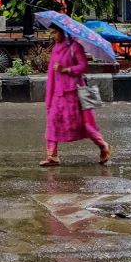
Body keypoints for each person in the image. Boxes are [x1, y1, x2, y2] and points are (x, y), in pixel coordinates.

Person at [42, 23, 110, 167]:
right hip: (58, 93)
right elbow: (51, 75)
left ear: (63, 32)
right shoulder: (56, 49)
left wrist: (66, 69)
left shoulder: (75, 47)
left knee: (83, 125)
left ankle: (103, 146)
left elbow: (83, 66)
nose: (53, 36)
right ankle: (52, 155)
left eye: (55, 33)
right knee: (52, 122)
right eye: (52, 33)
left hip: (73, 94)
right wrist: (49, 96)